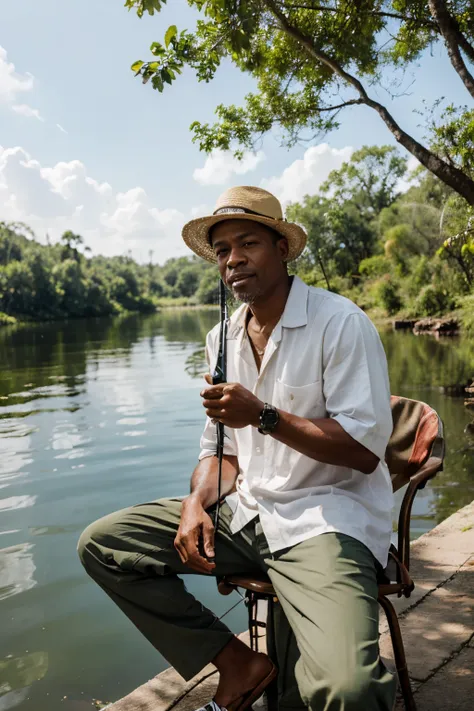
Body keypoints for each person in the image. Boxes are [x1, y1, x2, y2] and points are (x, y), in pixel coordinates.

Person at [78, 186, 397, 711]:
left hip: (325, 521)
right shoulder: (221, 337)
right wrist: (194, 504)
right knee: (105, 545)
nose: (233, 259)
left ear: (282, 249)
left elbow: (364, 450)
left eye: (247, 242)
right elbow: (220, 450)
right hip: (248, 513)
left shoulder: (340, 322)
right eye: (222, 250)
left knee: (347, 689)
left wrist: (265, 415)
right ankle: (238, 663)